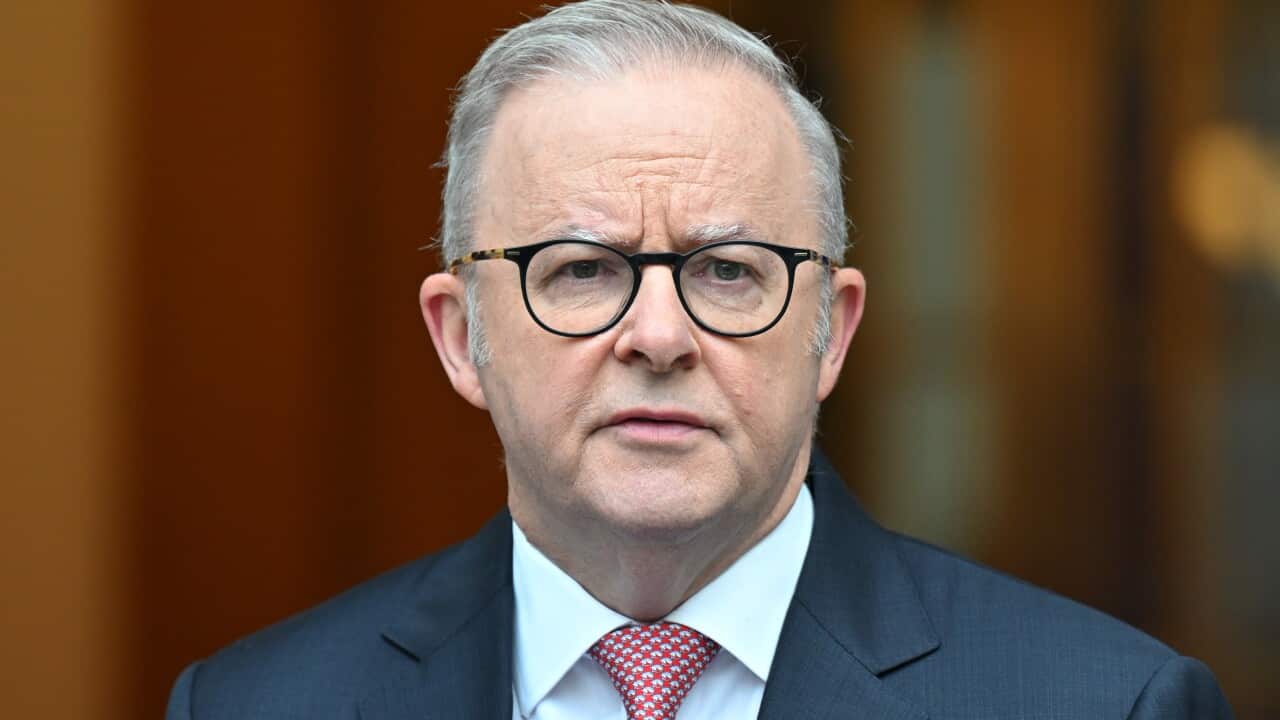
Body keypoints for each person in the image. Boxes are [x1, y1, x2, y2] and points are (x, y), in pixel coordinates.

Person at [166, 1, 1234, 718]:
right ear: (461, 338)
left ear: (830, 332)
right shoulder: (256, 704)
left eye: (728, 271)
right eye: (580, 270)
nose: (660, 337)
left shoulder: (1102, 704)